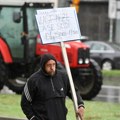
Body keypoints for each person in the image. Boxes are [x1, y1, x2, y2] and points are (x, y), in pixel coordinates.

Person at [21, 53, 84, 120]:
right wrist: (32, 118)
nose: (52, 68)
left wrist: (80, 105)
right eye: (49, 65)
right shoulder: (33, 80)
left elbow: (74, 92)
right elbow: (25, 103)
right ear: (43, 65)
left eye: (54, 64)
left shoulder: (63, 77)